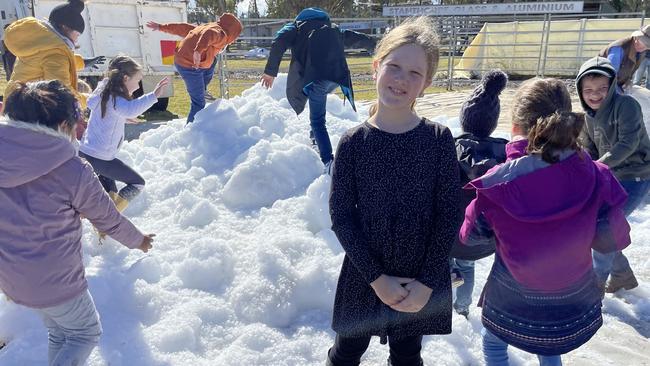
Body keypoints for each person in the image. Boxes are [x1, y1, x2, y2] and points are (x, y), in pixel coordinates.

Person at [460, 77, 631, 366]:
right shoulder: (597, 175)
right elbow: (614, 238)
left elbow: (471, 238)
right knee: (550, 347)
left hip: (511, 303)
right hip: (571, 305)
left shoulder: (497, 184)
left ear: (515, 127)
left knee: (494, 344)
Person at [327, 17, 460, 366]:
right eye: (394, 67)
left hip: (418, 276)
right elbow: (341, 217)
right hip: (364, 271)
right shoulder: (354, 143)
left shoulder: (438, 140)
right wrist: (376, 279)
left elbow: (448, 215)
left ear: (427, 83)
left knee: (406, 355)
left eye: (415, 73)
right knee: (346, 353)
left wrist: (428, 282)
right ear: (376, 68)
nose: (402, 79)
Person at [0, 79, 155, 365]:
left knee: (60, 333)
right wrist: (139, 240)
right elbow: (108, 218)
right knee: (85, 333)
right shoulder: (72, 170)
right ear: (61, 126)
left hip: (11, 275)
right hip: (56, 280)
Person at [260, 7, 376, 173]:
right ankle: (315, 137)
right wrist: (380, 52)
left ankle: (328, 161)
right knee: (316, 100)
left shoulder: (296, 27)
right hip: (337, 79)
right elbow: (360, 39)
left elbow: (279, 41)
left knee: (317, 120)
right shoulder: (334, 29)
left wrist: (270, 72)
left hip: (317, 80)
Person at [576, 56, 650, 293]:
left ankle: (595, 285)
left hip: (635, 175)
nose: (595, 95)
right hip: (610, 175)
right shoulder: (588, 116)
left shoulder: (627, 106)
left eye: (601, 89)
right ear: (580, 90)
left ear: (611, 87)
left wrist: (599, 165)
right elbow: (589, 148)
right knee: (601, 226)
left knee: (603, 227)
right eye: (588, 90)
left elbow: (628, 142)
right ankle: (622, 276)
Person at [448, 69, 509, 318]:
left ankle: (440, 301)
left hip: (450, 235)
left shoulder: (450, 148)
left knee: (448, 263)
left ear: (465, 119)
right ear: (493, 123)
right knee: (467, 266)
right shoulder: (506, 154)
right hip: (482, 239)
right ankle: (462, 307)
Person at [79, 55, 169, 212]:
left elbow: (107, 115)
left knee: (110, 197)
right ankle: (108, 221)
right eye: (137, 80)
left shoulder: (104, 94)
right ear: (125, 78)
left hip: (88, 154)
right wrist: (154, 95)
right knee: (137, 183)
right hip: (101, 158)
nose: (138, 85)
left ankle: (104, 226)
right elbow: (132, 109)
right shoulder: (115, 99)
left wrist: (122, 119)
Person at [2, 0, 105, 109]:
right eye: (77, 35)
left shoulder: (40, 40)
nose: (76, 40)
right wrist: (91, 100)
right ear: (65, 27)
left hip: (14, 102)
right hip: (29, 112)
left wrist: (82, 62)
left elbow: (47, 60)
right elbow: (62, 93)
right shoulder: (55, 53)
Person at [146, 13, 243, 123]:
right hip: (191, 65)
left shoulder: (204, 27)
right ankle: (191, 130)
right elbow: (210, 34)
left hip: (183, 60)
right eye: (236, 36)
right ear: (232, 32)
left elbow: (182, 28)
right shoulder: (222, 35)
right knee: (199, 103)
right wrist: (198, 51)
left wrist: (161, 27)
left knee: (213, 60)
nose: (234, 40)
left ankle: (203, 90)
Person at [599, 24, 650, 92]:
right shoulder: (618, 49)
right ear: (636, 37)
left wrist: (628, 80)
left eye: (647, 46)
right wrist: (618, 93)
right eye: (642, 42)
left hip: (617, 84)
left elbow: (629, 71)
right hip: (601, 85)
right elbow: (608, 75)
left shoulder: (641, 52)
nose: (643, 47)